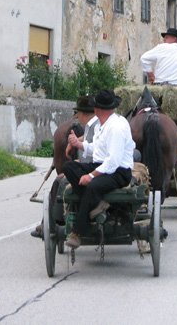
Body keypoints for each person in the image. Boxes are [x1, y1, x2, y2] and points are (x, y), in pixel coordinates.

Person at [62, 89, 136, 249]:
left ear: (97, 109)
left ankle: (78, 232)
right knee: (68, 167)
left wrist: (91, 176)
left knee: (92, 186)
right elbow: (98, 149)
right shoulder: (103, 125)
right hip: (102, 166)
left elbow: (113, 161)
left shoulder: (116, 127)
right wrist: (79, 144)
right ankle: (98, 204)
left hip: (119, 172)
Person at [30, 95, 98, 239]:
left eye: (78, 113)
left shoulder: (95, 126)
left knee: (59, 181)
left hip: (96, 170)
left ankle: (53, 222)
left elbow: (95, 151)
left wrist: (77, 145)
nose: (77, 117)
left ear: (83, 113)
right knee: (68, 168)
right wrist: (76, 142)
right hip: (99, 168)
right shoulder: (97, 125)